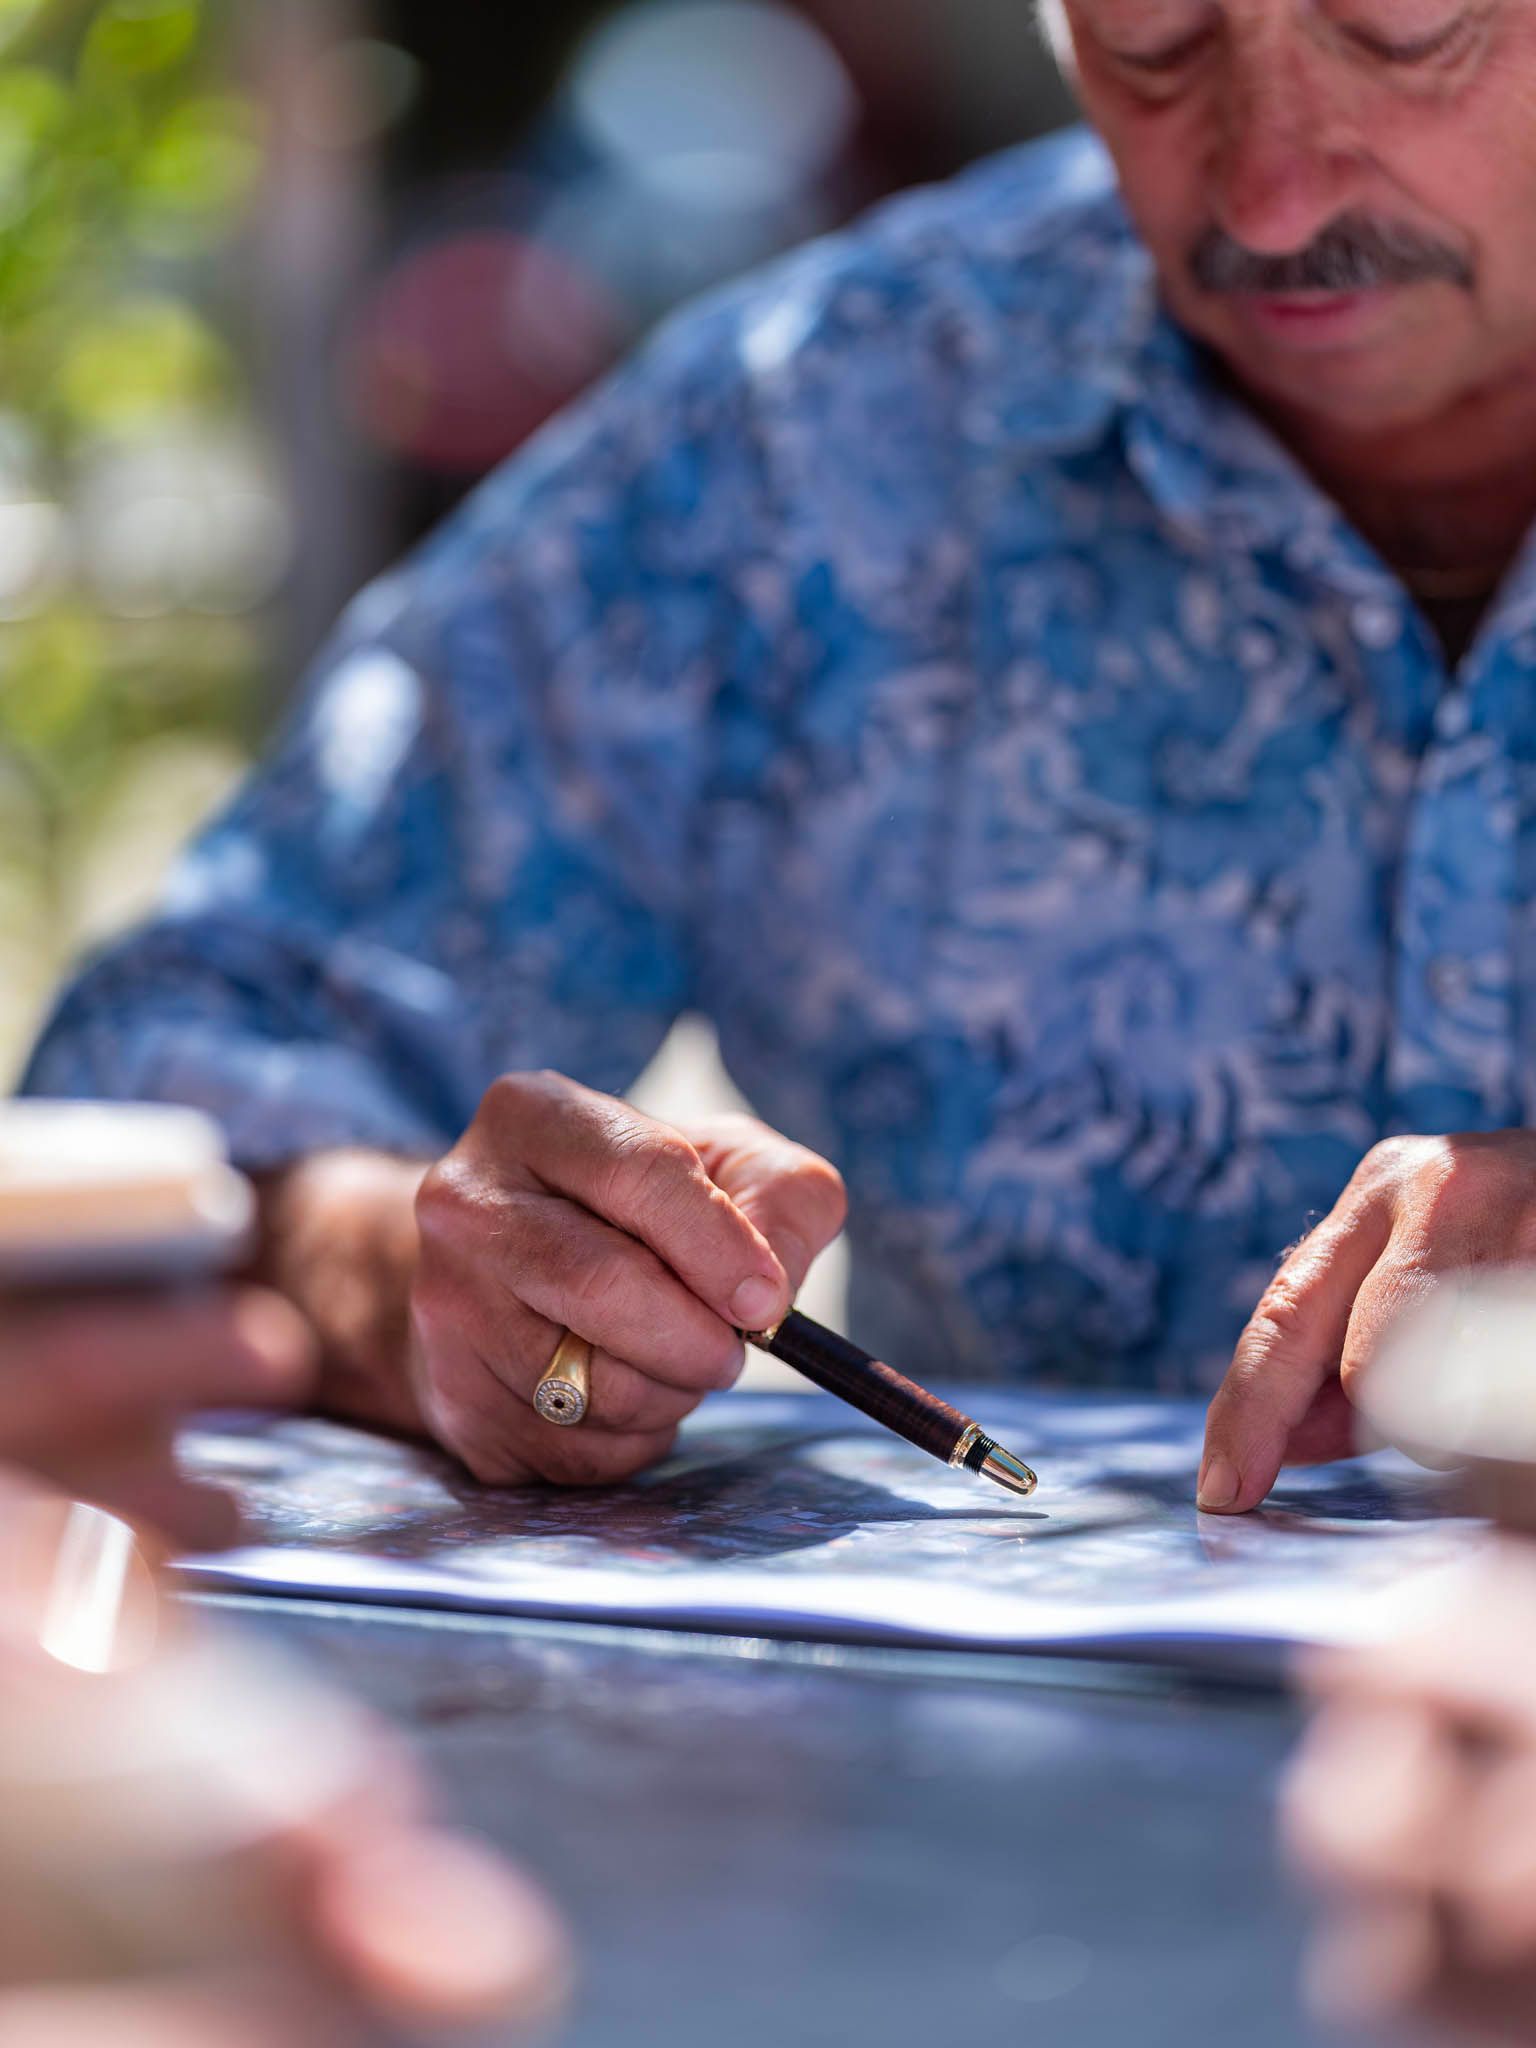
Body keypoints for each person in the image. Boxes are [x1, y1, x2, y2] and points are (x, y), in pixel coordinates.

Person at [21, 0, 1536, 1503]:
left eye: (1405, 30)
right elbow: (146, 1094)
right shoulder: (825, 435)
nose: (1272, 194)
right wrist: (438, 1288)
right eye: (1151, 40)